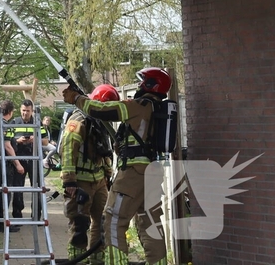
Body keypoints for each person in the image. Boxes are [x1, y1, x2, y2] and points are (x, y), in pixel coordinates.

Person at [63, 67, 172, 265]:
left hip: (133, 173)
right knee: (150, 224)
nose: (139, 85)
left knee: (113, 221)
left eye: (143, 81)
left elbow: (101, 110)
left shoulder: (139, 105)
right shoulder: (158, 109)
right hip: (152, 173)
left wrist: (77, 99)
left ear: (151, 85)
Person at [60, 84, 118, 265]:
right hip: (80, 182)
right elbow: (68, 151)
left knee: (102, 223)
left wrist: (108, 175)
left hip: (99, 180)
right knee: (80, 225)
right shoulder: (77, 122)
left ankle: (97, 260)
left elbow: (104, 151)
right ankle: (77, 260)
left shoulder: (99, 122)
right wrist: (70, 182)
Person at [0, 100, 24, 232]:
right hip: (5, 163)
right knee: (5, 192)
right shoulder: (6, 126)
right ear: (11, 112)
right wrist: (18, 164)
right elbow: (7, 146)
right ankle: (3, 223)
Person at [11, 99, 50, 219]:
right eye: (23, 110)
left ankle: (36, 216)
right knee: (17, 188)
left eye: (28, 111)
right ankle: (17, 216)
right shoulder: (14, 122)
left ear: (32, 111)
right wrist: (18, 140)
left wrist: (35, 139)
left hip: (34, 159)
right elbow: (8, 140)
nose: (25, 113)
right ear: (20, 110)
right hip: (19, 158)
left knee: (37, 188)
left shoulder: (38, 122)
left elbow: (45, 141)